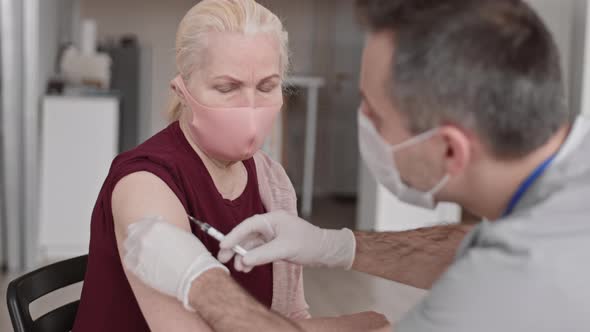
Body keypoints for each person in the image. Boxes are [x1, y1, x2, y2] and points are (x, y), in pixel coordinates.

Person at [123, 0, 590, 331]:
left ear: (449, 150)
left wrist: (198, 283)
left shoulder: (505, 288)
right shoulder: (560, 201)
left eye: (374, 112)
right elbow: (471, 247)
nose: (360, 122)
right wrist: (335, 245)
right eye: (227, 87)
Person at [73, 0, 388, 331]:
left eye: (267, 86)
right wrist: (348, 327)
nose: (250, 107)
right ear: (182, 90)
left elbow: (289, 318)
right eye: (227, 87)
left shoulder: (272, 182)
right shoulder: (145, 183)